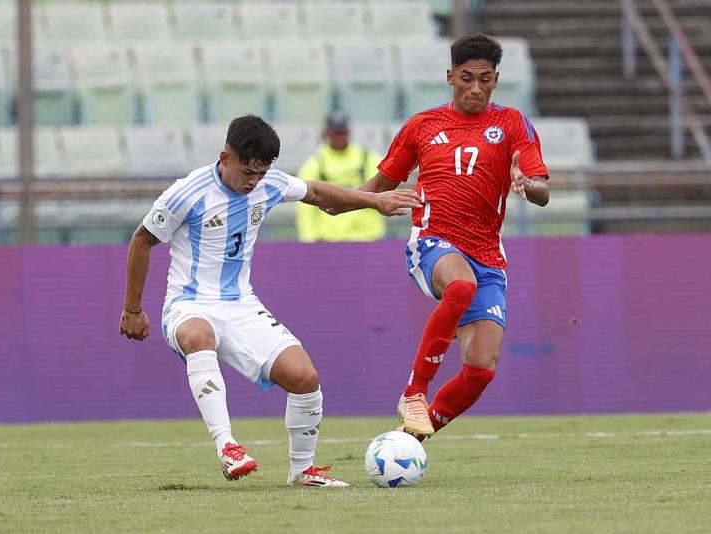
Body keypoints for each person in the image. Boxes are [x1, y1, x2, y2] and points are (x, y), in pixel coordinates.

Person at [118, 115, 421, 486]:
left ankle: (302, 472)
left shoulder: (268, 184)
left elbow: (317, 194)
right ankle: (227, 446)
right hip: (189, 303)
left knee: (305, 378)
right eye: (247, 172)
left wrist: (374, 200)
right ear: (225, 157)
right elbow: (142, 239)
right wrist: (133, 307)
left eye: (261, 174)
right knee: (199, 337)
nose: (253, 182)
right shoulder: (188, 192)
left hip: (241, 304)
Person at [355, 34, 550, 438]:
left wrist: (527, 185)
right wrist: (336, 200)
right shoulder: (423, 126)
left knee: (480, 370)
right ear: (450, 77)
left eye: (485, 79)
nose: (475, 88)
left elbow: (543, 192)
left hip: (489, 256)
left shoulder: (512, 122)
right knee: (460, 286)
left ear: (496, 79)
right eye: (466, 78)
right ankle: (414, 392)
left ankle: (408, 442)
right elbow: (381, 182)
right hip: (432, 242)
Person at [296, 111, 385, 242]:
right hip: (329, 240)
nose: (338, 137)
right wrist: (308, 240)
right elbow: (306, 209)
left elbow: (383, 190)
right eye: (334, 133)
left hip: (367, 238)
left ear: (349, 133)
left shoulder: (369, 160)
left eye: (341, 133)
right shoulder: (314, 165)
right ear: (326, 134)